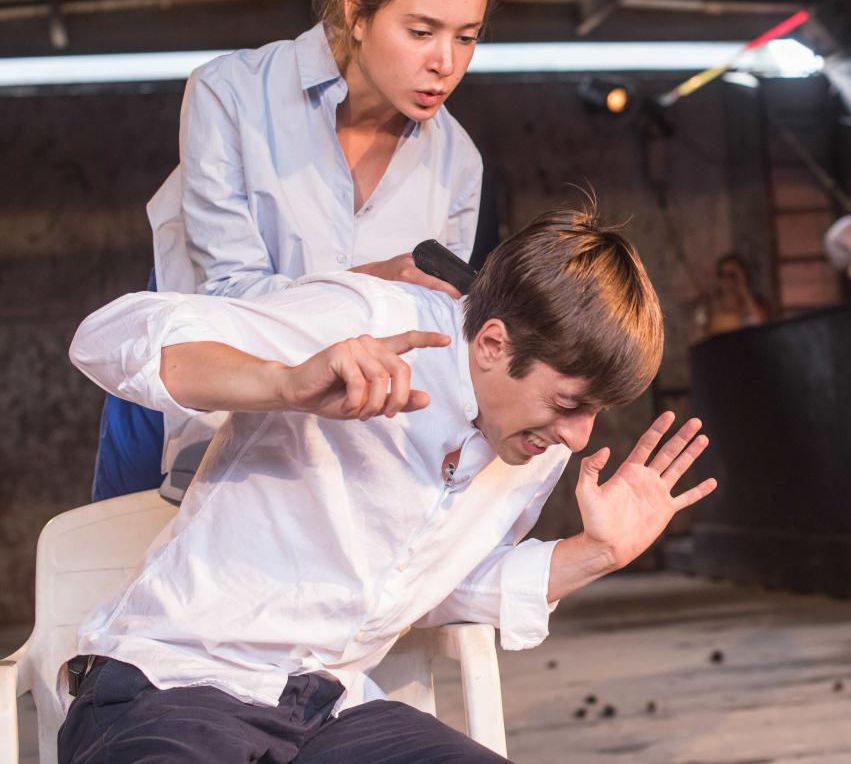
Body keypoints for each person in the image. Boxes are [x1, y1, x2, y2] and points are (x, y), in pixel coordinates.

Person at [61, 205, 717, 763]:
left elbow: (429, 583)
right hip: (176, 682)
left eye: (594, 412)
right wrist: (284, 383)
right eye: (569, 403)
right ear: (492, 344)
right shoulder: (372, 318)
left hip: (325, 711)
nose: (577, 438)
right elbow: (105, 338)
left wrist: (596, 554)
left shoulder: (533, 445)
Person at [94, 0, 497, 502]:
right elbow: (230, 299)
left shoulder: (459, 163)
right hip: (187, 408)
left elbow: (431, 336)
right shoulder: (230, 95)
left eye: (467, 36)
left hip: (334, 452)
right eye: (421, 31)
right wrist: (369, 281)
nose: (445, 63)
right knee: (114, 555)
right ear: (357, 15)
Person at [695, 252, 770, 339]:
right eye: (722, 275)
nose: (727, 280)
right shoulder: (708, 307)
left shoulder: (758, 303)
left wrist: (744, 291)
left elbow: (762, 327)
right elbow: (699, 338)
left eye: (732, 275)